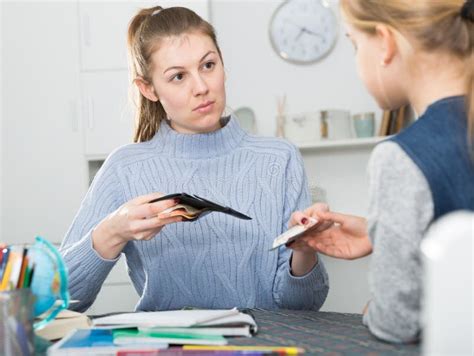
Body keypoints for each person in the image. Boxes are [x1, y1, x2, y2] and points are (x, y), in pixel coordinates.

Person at [60, 5, 328, 313]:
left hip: (264, 345)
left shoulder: (280, 159)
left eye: (208, 65)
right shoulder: (125, 169)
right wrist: (112, 232)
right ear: (148, 89)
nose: (201, 87)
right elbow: (58, 302)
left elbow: (304, 307)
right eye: (177, 77)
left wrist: (305, 250)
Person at [287, 0, 474, 344]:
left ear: (386, 43)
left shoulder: (400, 156)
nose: (357, 60)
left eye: (355, 45)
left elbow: (398, 321)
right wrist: (380, 232)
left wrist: (374, 310)